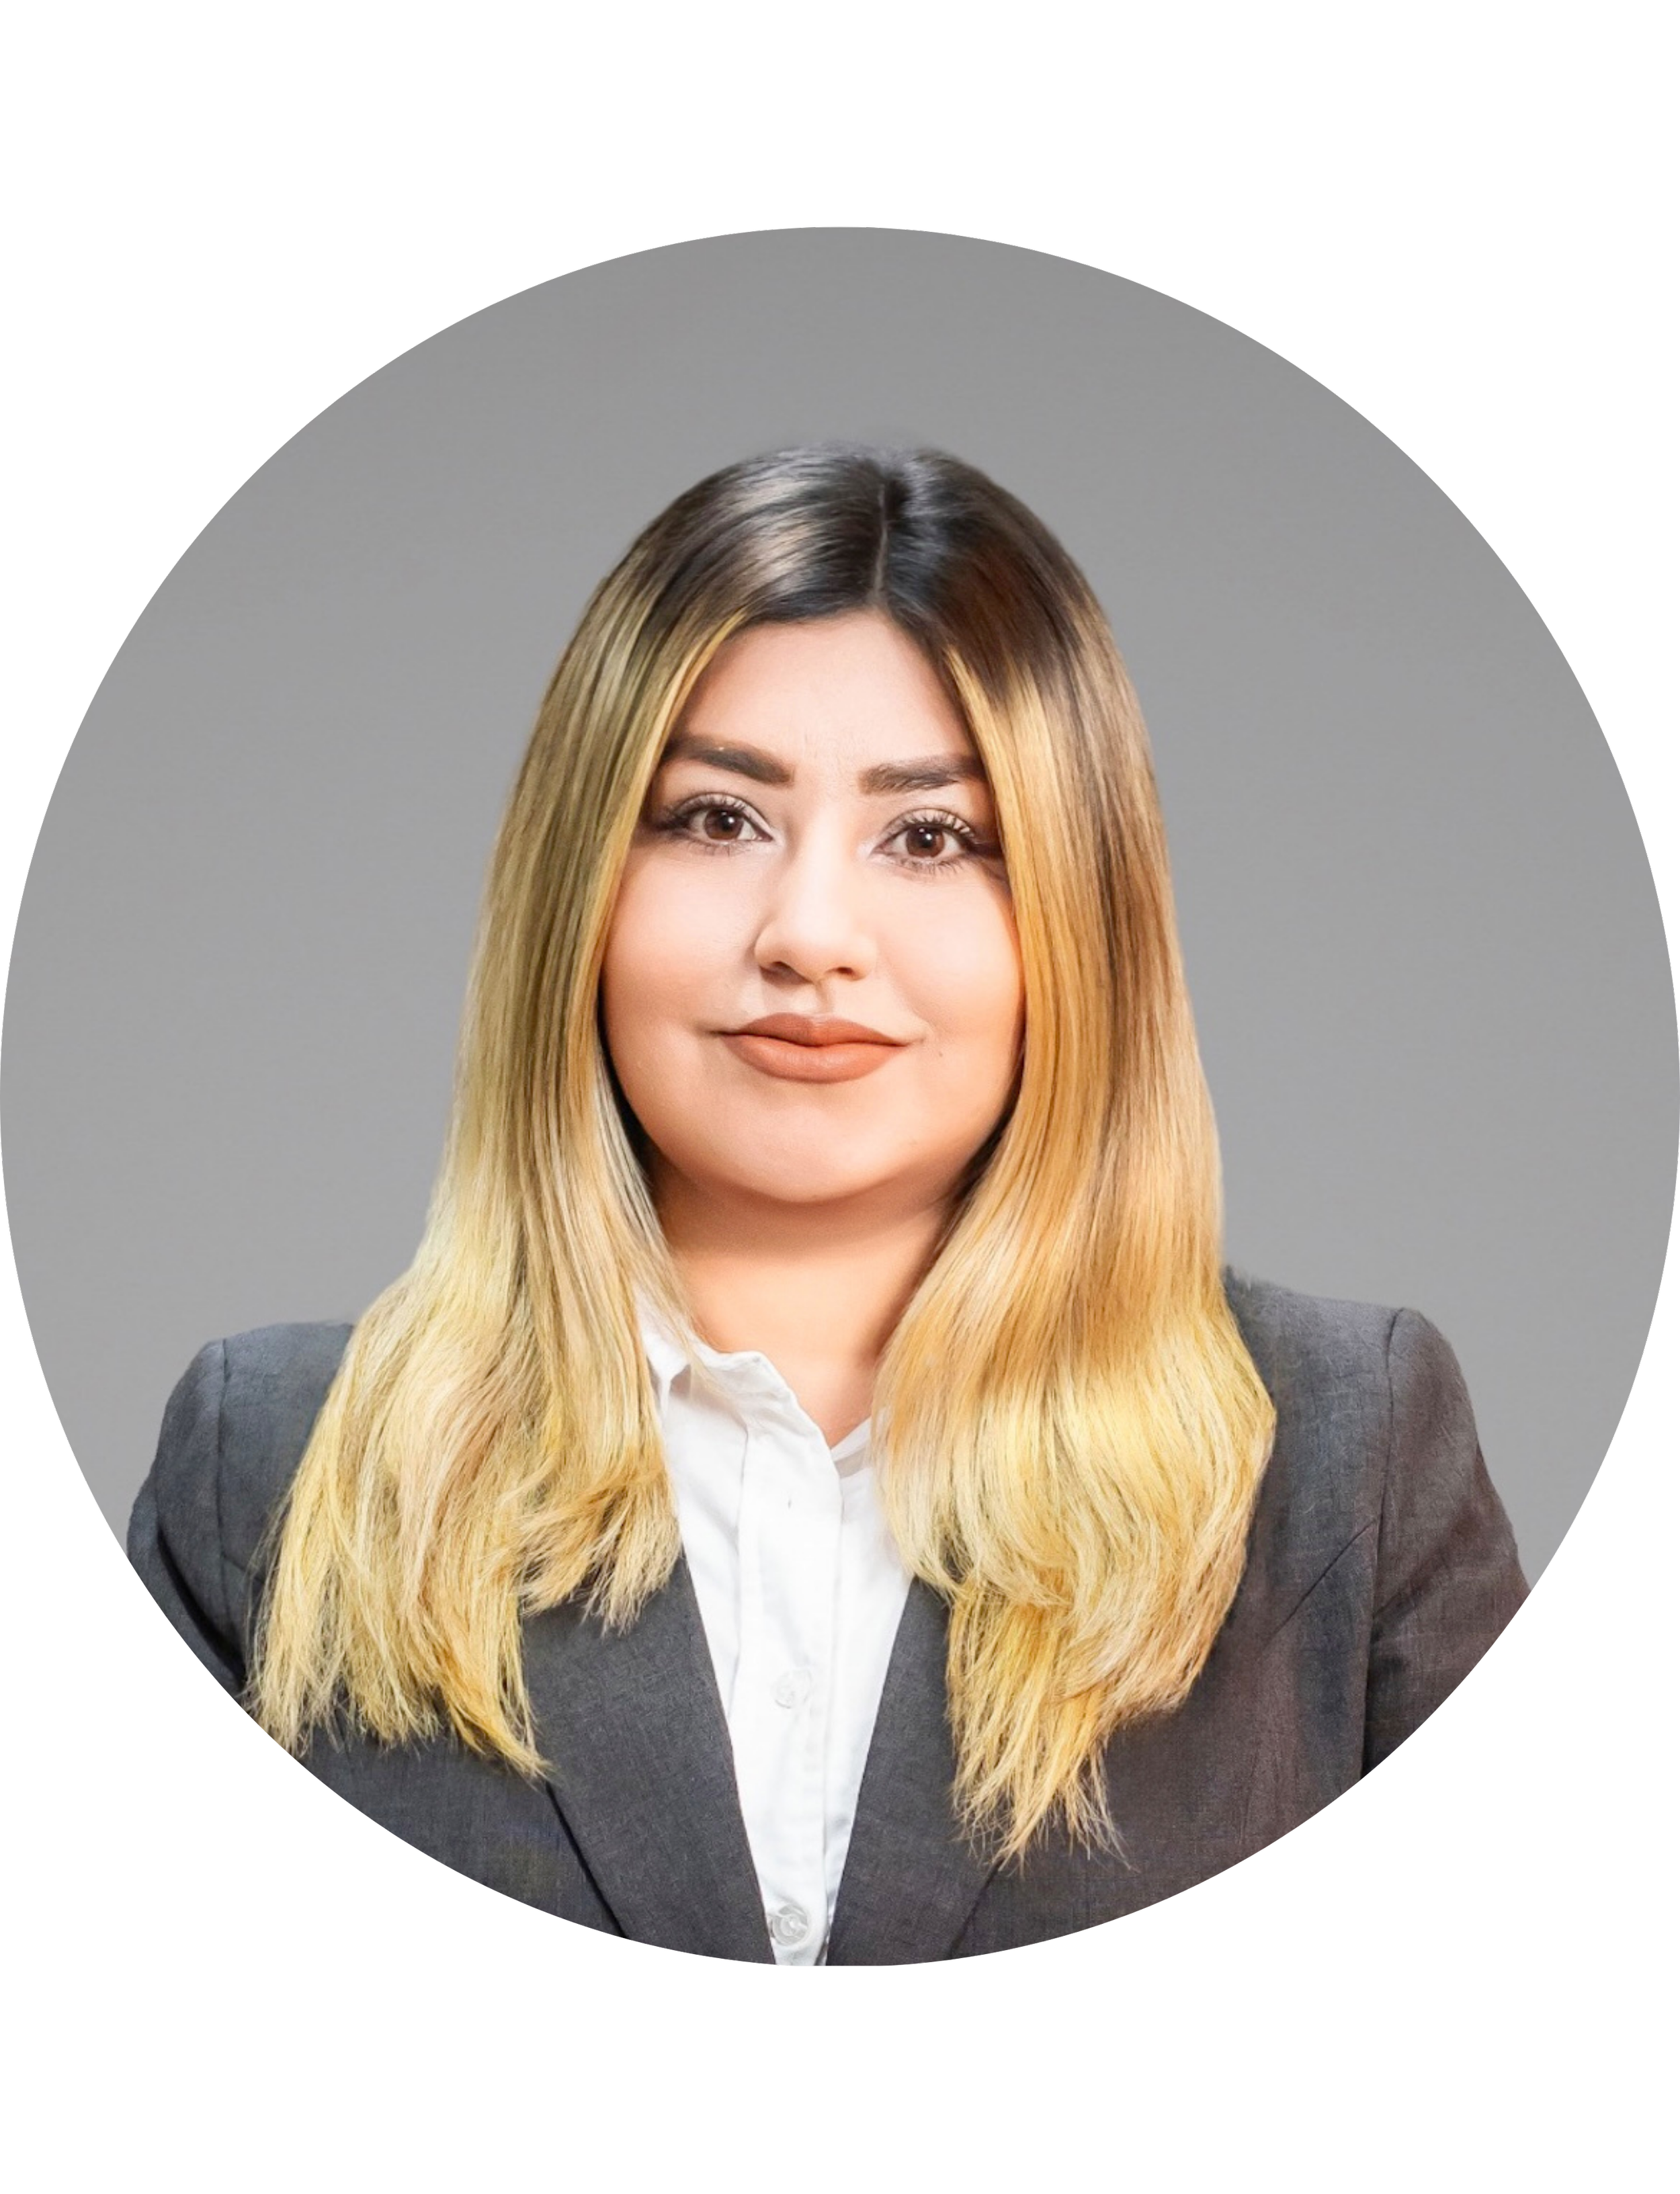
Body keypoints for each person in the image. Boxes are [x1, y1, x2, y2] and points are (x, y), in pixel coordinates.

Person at [126, 444, 1527, 1966]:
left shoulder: (1340, 1457)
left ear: (1081, 918)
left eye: (931, 837)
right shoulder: (273, 1469)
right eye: (716, 819)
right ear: (579, 885)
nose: (807, 934)